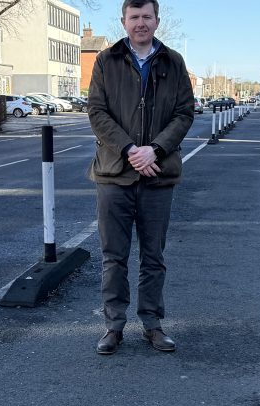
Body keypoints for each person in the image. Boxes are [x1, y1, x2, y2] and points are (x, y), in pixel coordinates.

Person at [86, 0, 195, 355]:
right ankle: (113, 327)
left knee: (153, 256)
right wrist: (131, 149)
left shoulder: (173, 62)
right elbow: (97, 112)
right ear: (124, 21)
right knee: (113, 257)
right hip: (114, 174)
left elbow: (184, 114)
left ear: (156, 20)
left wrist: (156, 150)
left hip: (157, 175)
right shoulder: (106, 60)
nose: (141, 23)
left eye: (147, 17)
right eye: (134, 17)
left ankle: (152, 325)